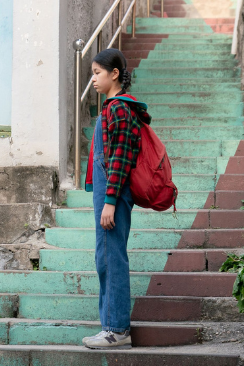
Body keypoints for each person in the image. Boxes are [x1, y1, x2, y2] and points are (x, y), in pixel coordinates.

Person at [81, 48, 151, 349]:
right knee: (106, 257)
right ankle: (111, 326)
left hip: (114, 193)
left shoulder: (120, 109)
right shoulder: (112, 108)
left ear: (114, 74)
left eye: (97, 73)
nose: (93, 79)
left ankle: (116, 330)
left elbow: (121, 158)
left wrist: (110, 200)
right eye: (92, 73)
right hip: (109, 191)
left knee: (111, 258)